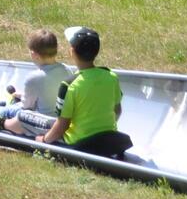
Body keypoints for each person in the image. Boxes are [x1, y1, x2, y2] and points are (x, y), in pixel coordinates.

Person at [39, 26, 132, 159]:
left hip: (77, 142)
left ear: (72, 51)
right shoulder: (111, 76)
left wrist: (44, 141)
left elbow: (62, 126)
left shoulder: (69, 84)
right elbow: (117, 111)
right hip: (107, 137)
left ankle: (2, 122)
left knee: (25, 117)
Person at [0, 29, 72, 136]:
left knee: (11, 111)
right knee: (18, 101)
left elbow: (27, 106)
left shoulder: (34, 77)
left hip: (39, 122)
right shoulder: (67, 70)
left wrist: (24, 98)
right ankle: (11, 101)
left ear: (34, 54)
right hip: (61, 120)